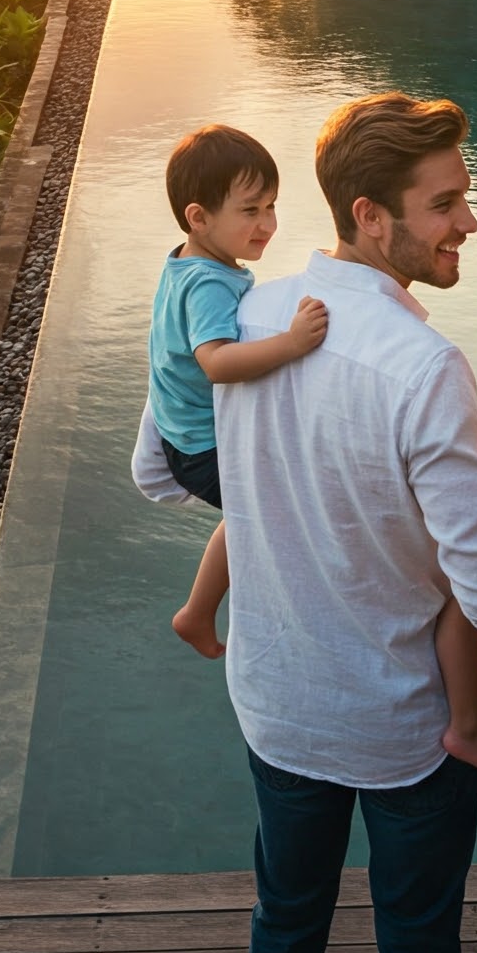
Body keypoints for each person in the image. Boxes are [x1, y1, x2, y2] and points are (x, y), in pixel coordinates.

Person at [216, 93, 477, 953]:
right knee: (418, 944)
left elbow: (159, 471)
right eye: (444, 205)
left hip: (279, 702)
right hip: (412, 725)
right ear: (369, 214)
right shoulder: (425, 367)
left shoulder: (241, 317)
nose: (468, 222)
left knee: (285, 921)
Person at [146, 124, 328, 658]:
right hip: (203, 450)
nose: (268, 225)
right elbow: (217, 363)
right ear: (198, 218)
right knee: (281, 512)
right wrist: (293, 343)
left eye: (271, 207)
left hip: (184, 436)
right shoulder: (208, 283)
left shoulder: (187, 260)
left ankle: (197, 614)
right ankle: (208, 614)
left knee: (250, 514)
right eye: (250, 211)